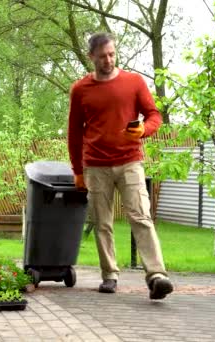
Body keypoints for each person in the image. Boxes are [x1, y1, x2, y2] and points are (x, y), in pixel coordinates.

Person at [67, 32, 173, 300]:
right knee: (102, 223)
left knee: (141, 216)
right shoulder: (80, 89)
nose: (108, 60)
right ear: (91, 57)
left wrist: (144, 131)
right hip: (95, 165)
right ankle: (110, 276)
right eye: (102, 56)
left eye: (112, 54)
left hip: (130, 162)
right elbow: (74, 133)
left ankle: (157, 276)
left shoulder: (133, 82)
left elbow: (154, 115)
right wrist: (77, 171)